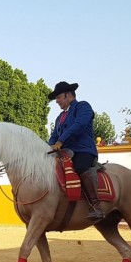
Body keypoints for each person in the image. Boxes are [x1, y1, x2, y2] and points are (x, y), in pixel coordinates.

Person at [48, 81, 105, 221]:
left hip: (83, 150)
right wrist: (48, 146)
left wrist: (60, 141)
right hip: (66, 152)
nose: (57, 101)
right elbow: (54, 136)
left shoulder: (83, 106)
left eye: (58, 97)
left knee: (80, 167)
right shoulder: (59, 118)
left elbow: (78, 125)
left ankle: (96, 206)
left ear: (68, 95)